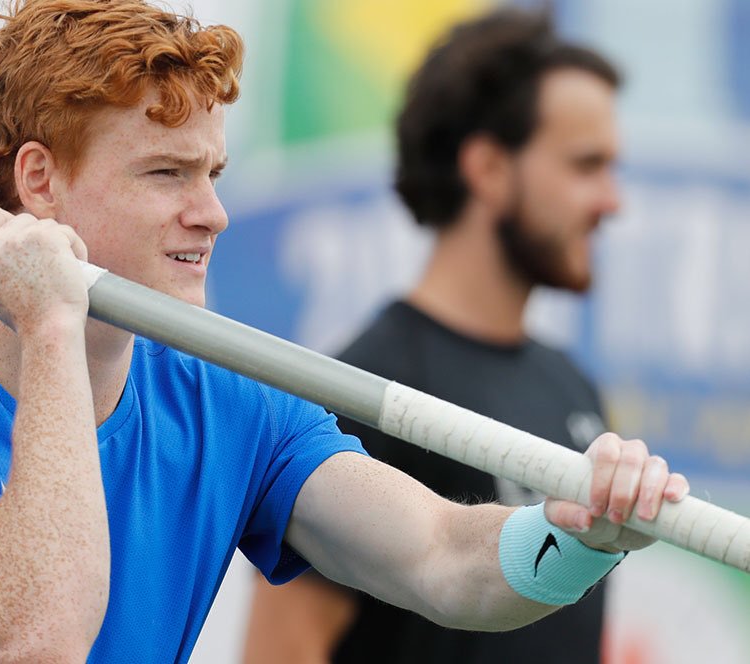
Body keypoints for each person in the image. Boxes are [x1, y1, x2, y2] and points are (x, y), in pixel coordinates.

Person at [0, 2, 687, 662]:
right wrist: (53, 323)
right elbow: (33, 638)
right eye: (167, 173)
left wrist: (577, 538)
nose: (212, 213)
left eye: (213, 171)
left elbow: (440, 561)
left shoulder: (230, 400)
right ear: (38, 181)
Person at [244, 8, 632, 664]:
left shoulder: (571, 383)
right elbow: (282, 650)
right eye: (585, 165)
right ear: (487, 169)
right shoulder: (367, 387)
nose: (611, 200)